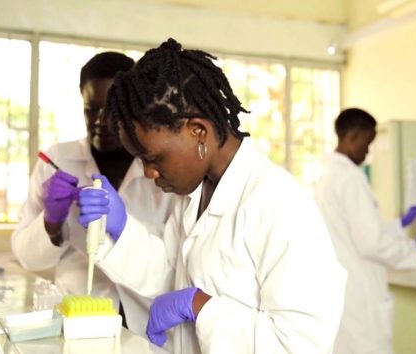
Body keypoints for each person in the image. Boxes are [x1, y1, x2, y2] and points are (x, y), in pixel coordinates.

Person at [77, 38, 346, 353]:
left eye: (153, 158)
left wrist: (200, 306)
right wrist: (122, 231)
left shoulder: (279, 203)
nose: (148, 173)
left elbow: (302, 344)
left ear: (198, 131)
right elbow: (173, 276)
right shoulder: (195, 194)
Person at [11, 51, 176, 335]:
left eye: (111, 109)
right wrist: (51, 223)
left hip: (147, 320)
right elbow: (27, 258)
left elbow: (174, 258)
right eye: (91, 108)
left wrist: (124, 228)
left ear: (134, 106)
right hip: (74, 316)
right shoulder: (57, 161)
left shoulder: (161, 169)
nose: (100, 120)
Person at [314, 108, 416, 354]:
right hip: (361, 294)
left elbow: (358, 231)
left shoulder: (328, 175)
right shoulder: (350, 178)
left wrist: (401, 223)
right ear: (353, 136)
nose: (367, 153)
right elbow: (371, 243)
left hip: (344, 291)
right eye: (367, 144)